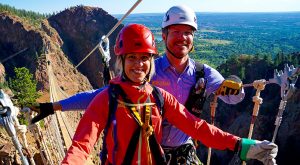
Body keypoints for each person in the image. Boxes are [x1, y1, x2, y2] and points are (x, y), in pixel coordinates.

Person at [31, 5, 247, 164]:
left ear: (193, 38)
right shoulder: (148, 72)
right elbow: (98, 99)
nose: (182, 37)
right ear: (164, 35)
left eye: (188, 32)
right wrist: (55, 106)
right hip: (150, 150)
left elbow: (230, 99)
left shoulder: (204, 73)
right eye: (176, 32)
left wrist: (236, 86)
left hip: (180, 151)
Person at [61, 23, 277, 165]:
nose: (139, 65)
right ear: (122, 61)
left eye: (144, 58)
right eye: (132, 58)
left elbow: (197, 127)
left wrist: (243, 145)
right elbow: (81, 145)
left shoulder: (159, 97)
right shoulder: (106, 99)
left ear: (151, 61)